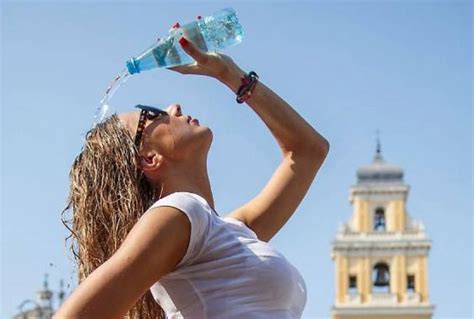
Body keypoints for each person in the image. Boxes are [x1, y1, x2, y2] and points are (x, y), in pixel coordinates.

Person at [55, 35, 330, 319]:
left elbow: (309, 151)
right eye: (154, 114)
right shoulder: (181, 212)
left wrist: (230, 74)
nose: (174, 107)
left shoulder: (228, 231)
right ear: (149, 158)